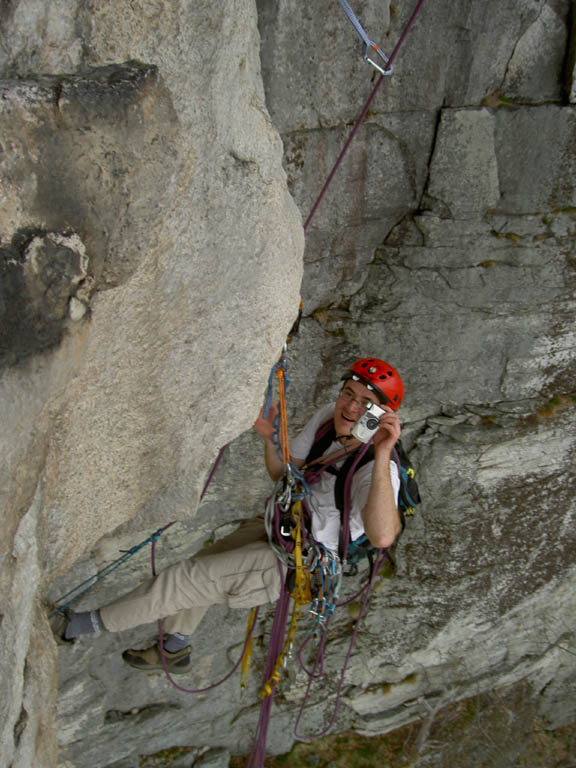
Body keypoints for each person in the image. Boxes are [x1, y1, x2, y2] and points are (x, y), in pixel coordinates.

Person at [50, 357, 404, 674]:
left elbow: (382, 536)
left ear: (381, 416)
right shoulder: (330, 417)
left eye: (366, 404)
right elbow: (283, 473)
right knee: (205, 565)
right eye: (348, 393)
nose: (351, 407)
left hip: (298, 560)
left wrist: (383, 451)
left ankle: (73, 627)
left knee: (184, 579)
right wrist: (271, 438)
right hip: (282, 525)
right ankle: (173, 650)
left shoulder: (377, 470)